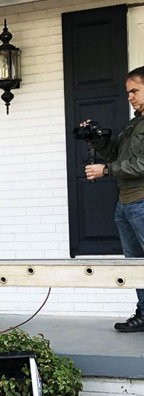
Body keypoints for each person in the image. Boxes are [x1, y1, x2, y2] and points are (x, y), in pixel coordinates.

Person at [84, 65, 144, 333]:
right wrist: (96, 140)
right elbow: (117, 155)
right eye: (128, 92)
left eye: (135, 91)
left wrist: (106, 170)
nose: (130, 97)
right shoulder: (134, 124)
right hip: (126, 204)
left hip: (142, 202)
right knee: (135, 265)